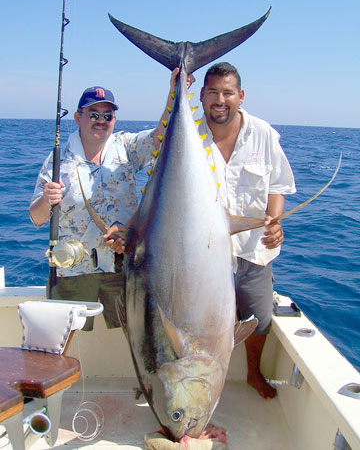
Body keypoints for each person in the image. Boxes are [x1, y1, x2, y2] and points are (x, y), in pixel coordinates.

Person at [29, 71, 180, 331]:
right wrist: (46, 199)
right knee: (62, 334)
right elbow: (36, 219)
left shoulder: (127, 147)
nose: (101, 121)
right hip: (74, 270)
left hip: (123, 265)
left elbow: (162, 135)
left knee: (136, 331)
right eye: (94, 115)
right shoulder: (57, 163)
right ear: (78, 118)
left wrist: (174, 92)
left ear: (114, 119)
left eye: (107, 115)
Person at [198, 62, 296, 399]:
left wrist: (276, 220)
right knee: (200, 326)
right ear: (201, 96)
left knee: (260, 320)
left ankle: (253, 373)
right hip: (204, 257)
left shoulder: (263, 133)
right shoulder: (188, 136)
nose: (220, 100)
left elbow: (278, 185)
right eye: (212, 92)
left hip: (254, 250)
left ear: (240, 96)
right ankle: (202, 382)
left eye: (227, 93)